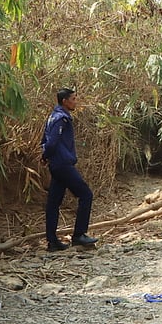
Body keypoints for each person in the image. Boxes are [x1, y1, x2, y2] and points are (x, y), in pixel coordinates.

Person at [41, 87, 97, 250]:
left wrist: (45, 156)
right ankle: (79, 235)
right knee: (86, 194)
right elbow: (51, 142)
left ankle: (52, 242)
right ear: (64, 101)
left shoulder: (53, 116)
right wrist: (47, 155)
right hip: (63, 164)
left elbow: (44, 139)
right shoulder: (61, 118)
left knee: (53, 203)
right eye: (73, 99)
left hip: (57, 164)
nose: (75, 101)